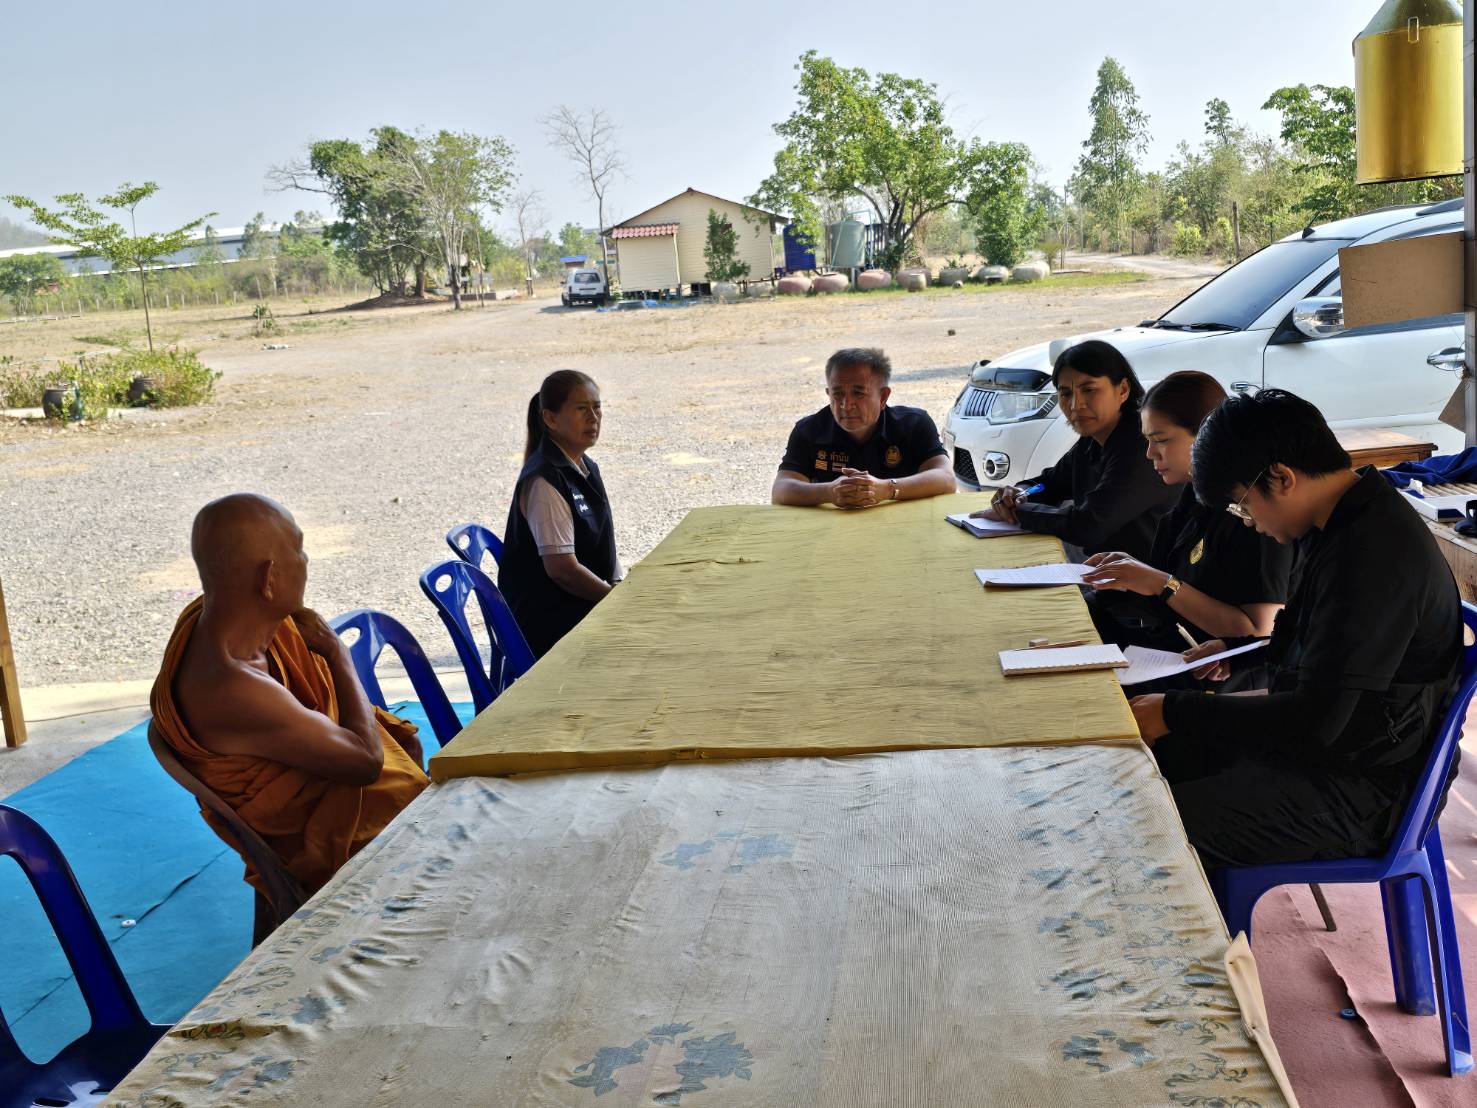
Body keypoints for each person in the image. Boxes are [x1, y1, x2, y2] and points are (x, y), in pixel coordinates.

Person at [1130, 389, 1461, 869]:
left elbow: (1316, 723)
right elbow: (1316, 649)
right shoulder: (1337, 520)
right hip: (1340, 757)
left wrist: (1179, 712)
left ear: (1281, 477)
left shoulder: (1370, 554)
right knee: (1139, 769)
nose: (1251, 524)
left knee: (1139, 823)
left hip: (1365, 793)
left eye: (1243, 507)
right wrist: (1246, 651)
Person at [151, 494, 428, 903]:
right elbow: (366, 763)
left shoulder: (223, 615)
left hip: (325, 788)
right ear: (269, 580)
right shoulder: (234, 687)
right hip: (330, 843)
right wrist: (337, 654)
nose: (307, 561)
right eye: (299, 550)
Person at [1081, 371, 1292, 652]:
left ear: (1206, 437)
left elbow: (1259, 631)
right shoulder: (1193, 496)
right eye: (1147, 440)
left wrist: (1162, 584)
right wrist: (1135, 573)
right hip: (1168, 645)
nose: (1150, 453)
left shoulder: (1254, 513)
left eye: (1162, 440)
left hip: (1214, 671)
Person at [970, 340, 1179, 560]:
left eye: (1089, 390)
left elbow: (1089, 525)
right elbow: (1051, 482)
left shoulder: (1142, 446)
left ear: (1123, 390)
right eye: (1066, 393)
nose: (1075, 405)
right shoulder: (1093, 439)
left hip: (1147, 584)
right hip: (1106, 571)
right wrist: (1017, 493)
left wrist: (1016, 513)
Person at [501, 370, 620, 657]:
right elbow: (563, 570)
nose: (593, 417)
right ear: (551, 419)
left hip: (584, 605)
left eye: (597, 407)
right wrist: (615, 601)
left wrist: (617, 586)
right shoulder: (544, 481)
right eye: (581, 409)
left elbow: (606, 541)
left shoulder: (585, 466)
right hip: (554, 622)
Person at [772, 348, 955, 508]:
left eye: (858, 393)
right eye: (838, 394)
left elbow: (946, 479)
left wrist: (886, 489)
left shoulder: (913, 424)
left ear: (883, 397)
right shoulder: (810, 430)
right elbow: (781, 491)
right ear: (828, 394)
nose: (846, 404)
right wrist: (830, 492)